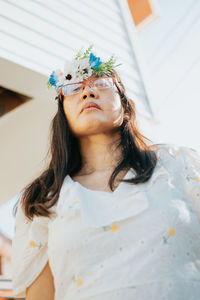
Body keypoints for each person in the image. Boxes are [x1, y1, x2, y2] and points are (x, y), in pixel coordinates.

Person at [11, 46, 200, 300]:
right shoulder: (43, 199)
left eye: (101, 83)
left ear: (125, 106)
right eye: (74, 88)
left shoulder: (180, 164)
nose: (88, 92)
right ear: (63, 115)